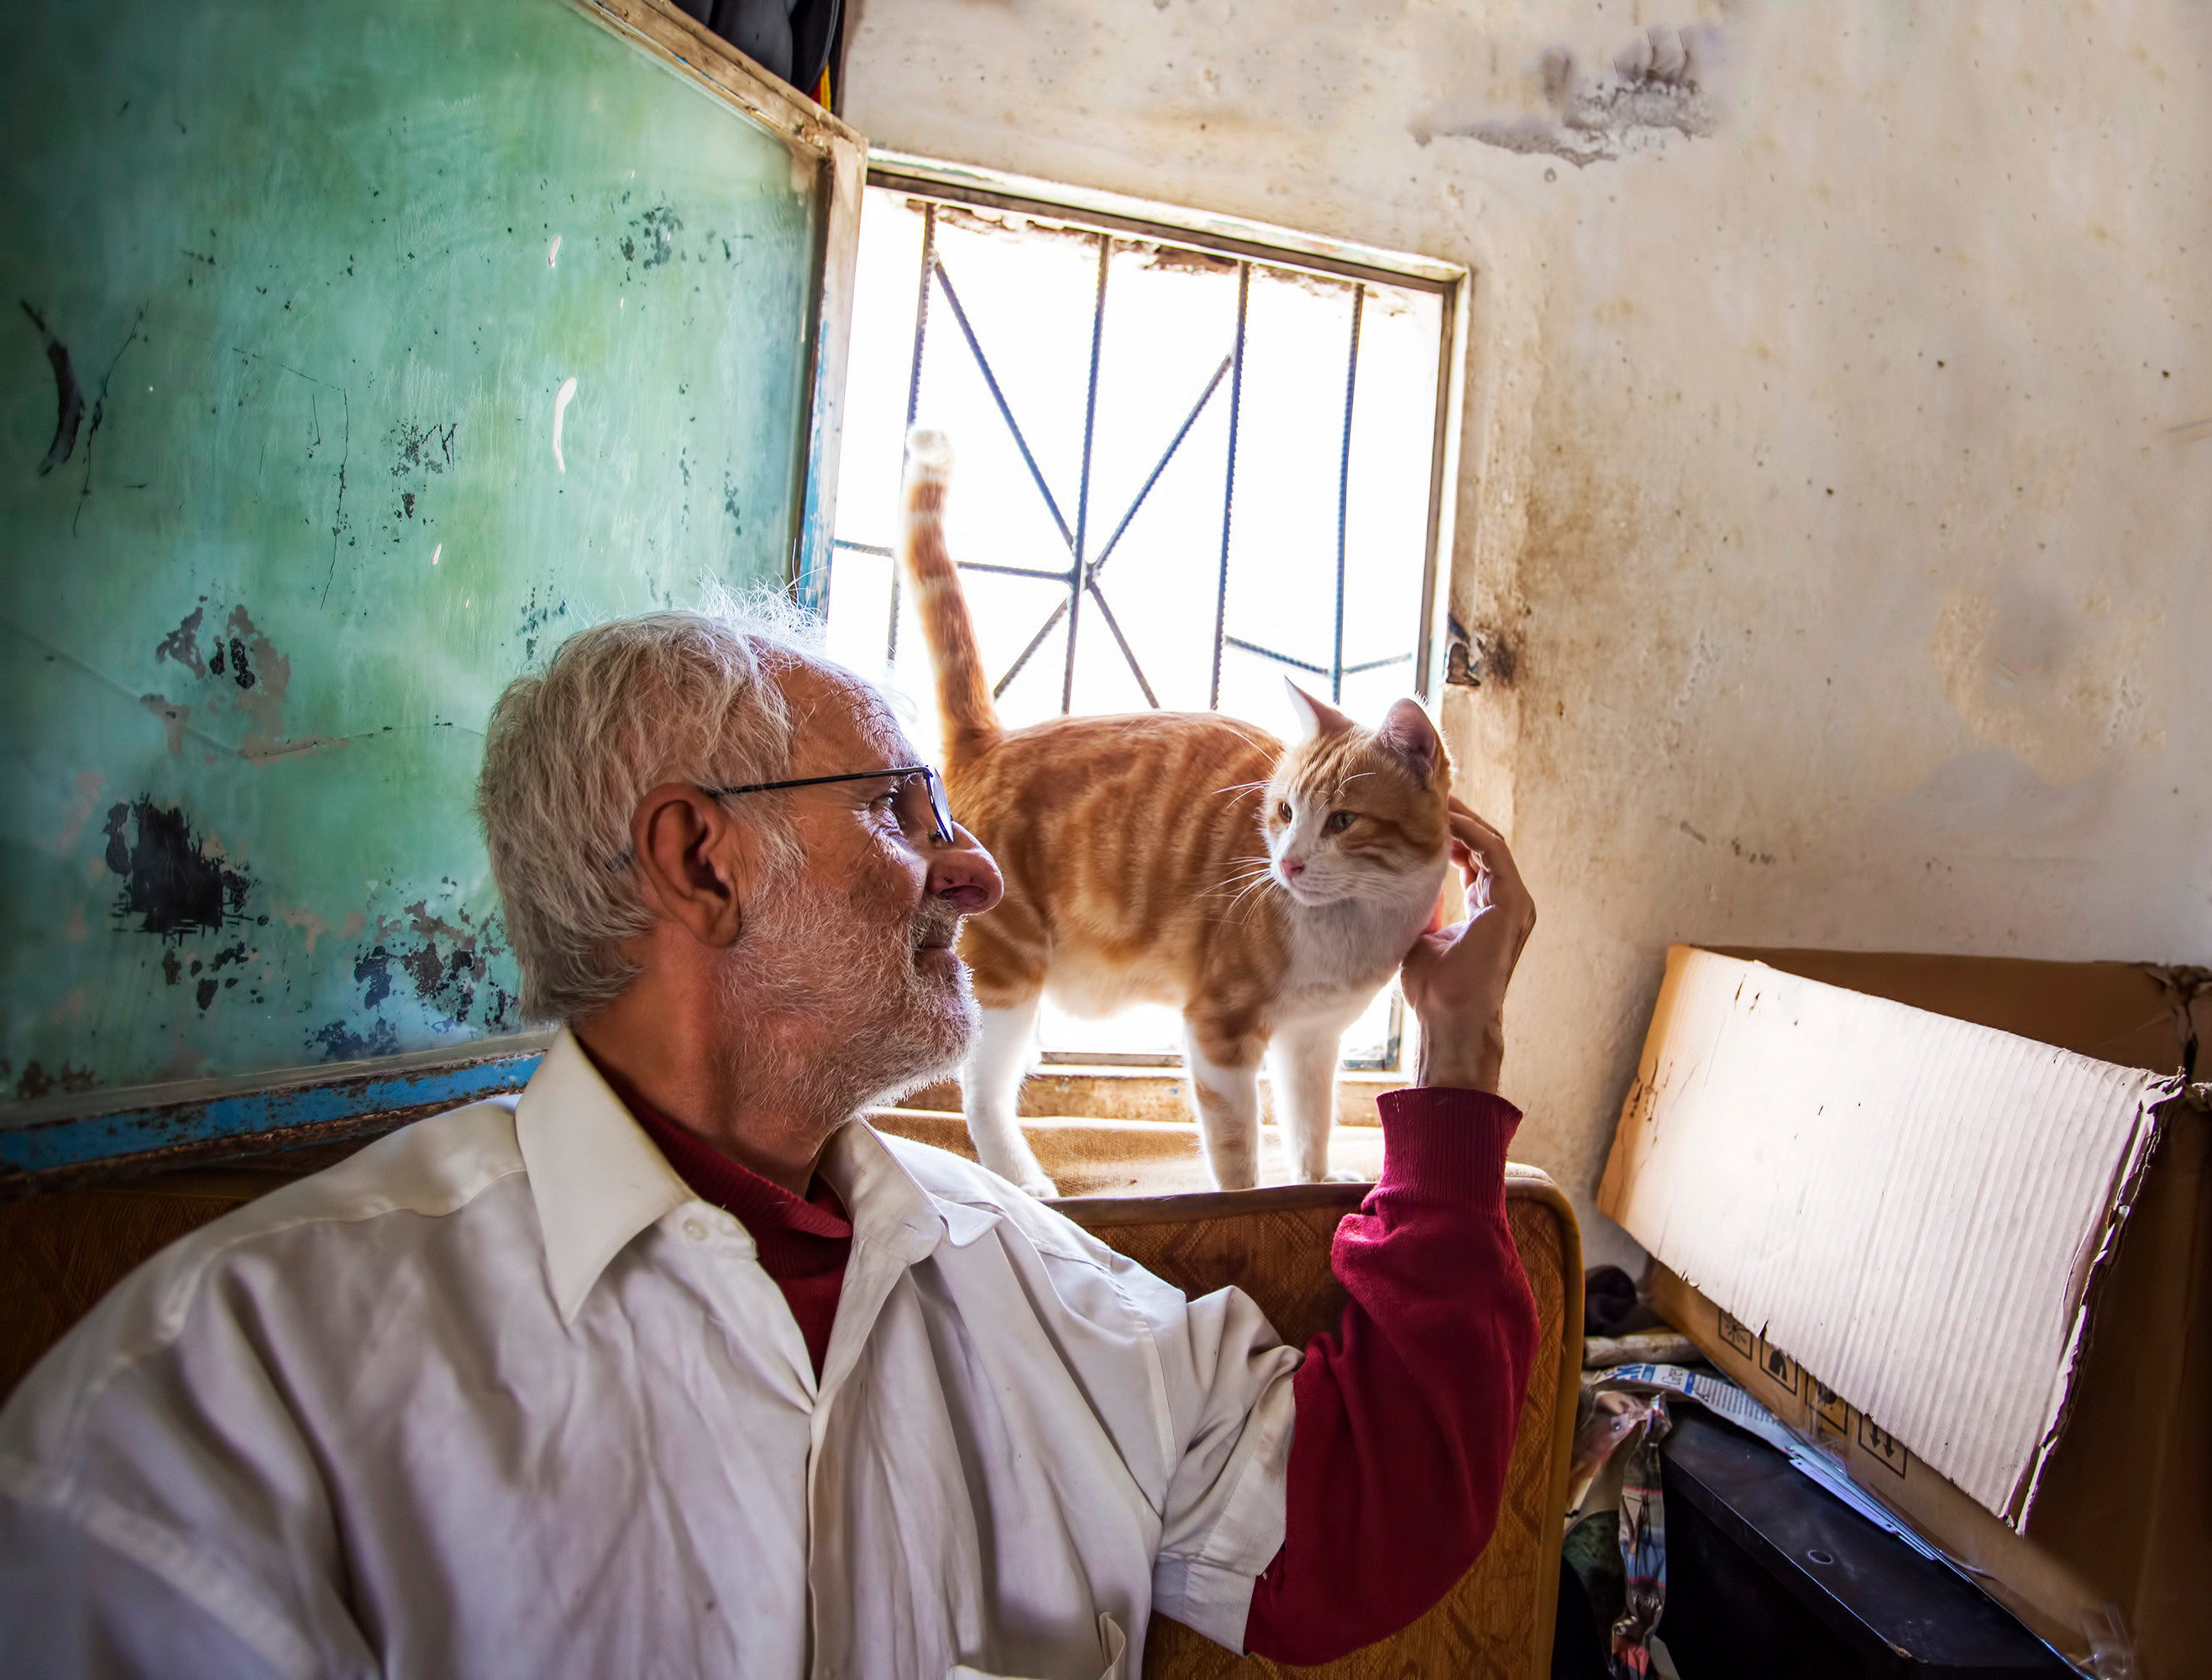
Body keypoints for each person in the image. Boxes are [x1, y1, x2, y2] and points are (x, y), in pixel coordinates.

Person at [0, 610, 1540, 1679]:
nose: (979, 865)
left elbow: (1363, 1516)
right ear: (700, 860)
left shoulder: (1020, 1279)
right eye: (899, 806)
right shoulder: (220, 1401)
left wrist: (1459, 1059)